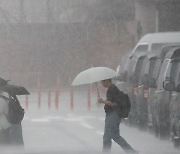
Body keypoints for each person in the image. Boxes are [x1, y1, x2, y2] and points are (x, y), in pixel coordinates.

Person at [97, 79, 138, 154]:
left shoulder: (112, 89)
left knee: (107, 137)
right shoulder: (113, 88)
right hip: (114, 115)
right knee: (116, 136)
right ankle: (131, 151)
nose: (101, 83)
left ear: (107, 81)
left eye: (102, 81)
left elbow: (114, 104)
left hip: (113, 115)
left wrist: (102, 101)